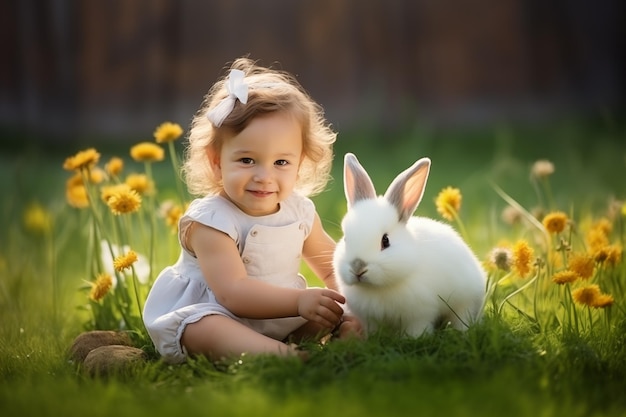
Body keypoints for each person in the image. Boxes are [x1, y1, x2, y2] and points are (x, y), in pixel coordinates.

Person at [143, 57, 361, 364]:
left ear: (300, 163)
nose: (264, 176)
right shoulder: (211, 221)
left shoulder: (299, 212)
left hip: (281, 315)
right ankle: (282, 357)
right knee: (204, 328)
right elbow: (233, 292)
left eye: (281, 162)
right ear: (216, 160)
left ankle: (337, 337)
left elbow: (331, 268)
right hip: (221, 313)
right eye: (247, 160)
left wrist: (354, 305)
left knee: (331, 308)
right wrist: (300, 301)